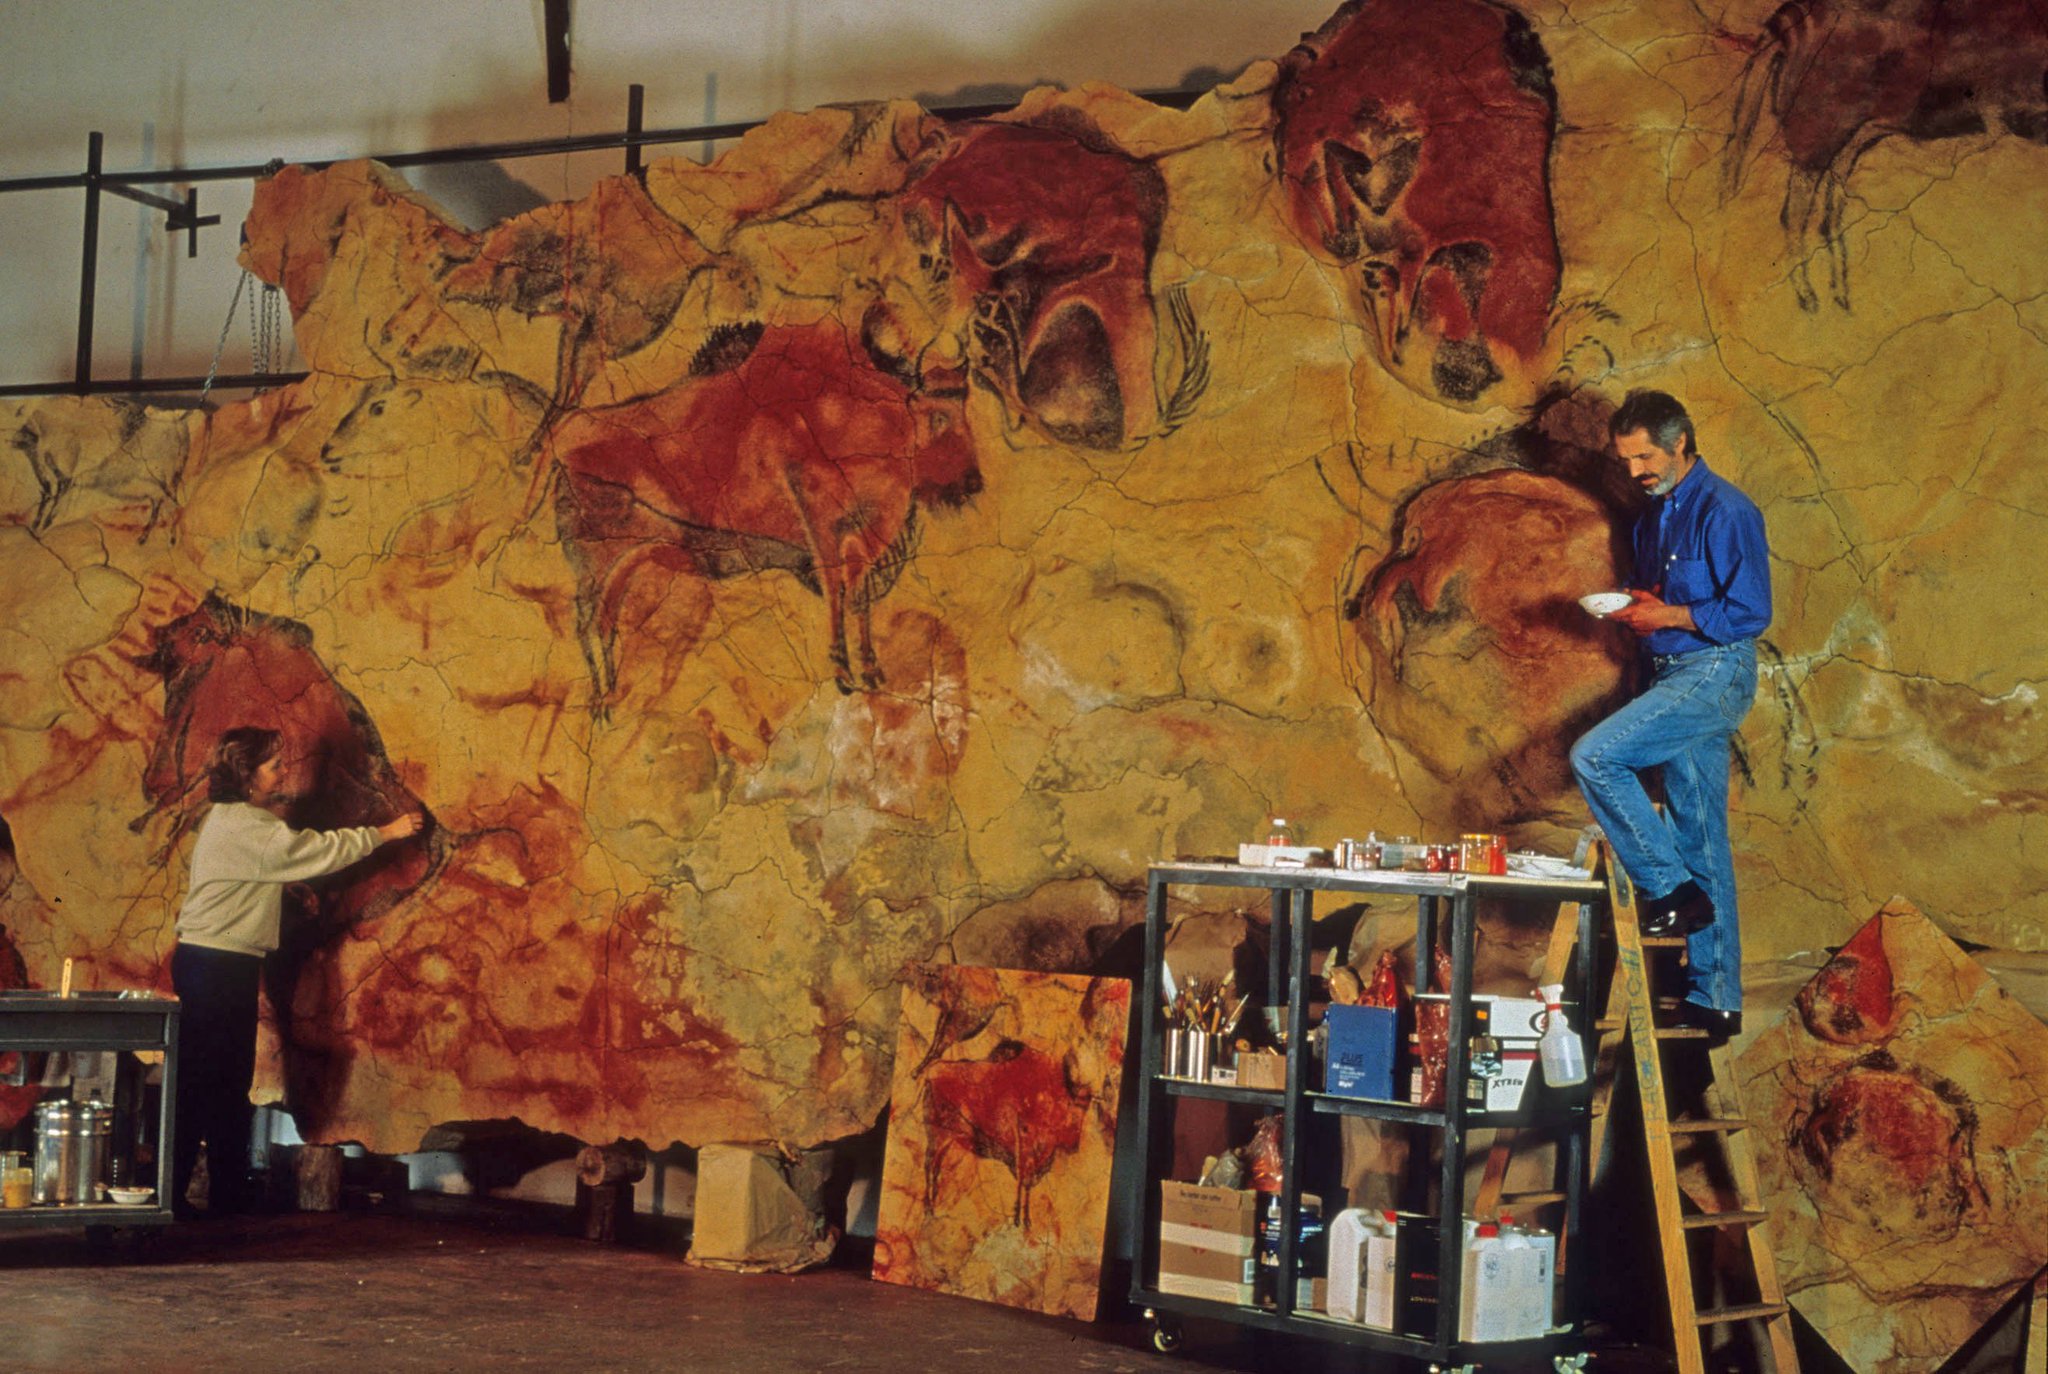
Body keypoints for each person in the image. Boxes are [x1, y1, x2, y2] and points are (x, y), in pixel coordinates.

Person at [1569, 390, 1771, 1042]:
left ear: (1679, 442)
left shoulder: (1727, 510)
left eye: (1645, 457)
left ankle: (1671, 891)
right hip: (1672, 672)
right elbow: (1663, 601)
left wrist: (1667, 615)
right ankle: (1717, 999)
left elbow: (1749, 612)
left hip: (1715, 671)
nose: (1635, 471)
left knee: (1595, 756)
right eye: (1626, 459)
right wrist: (1641, 606)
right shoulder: (1653, 517)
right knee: (1701, 833)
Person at [170, 726, 422, 1216]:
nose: (283, 772)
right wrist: (385, 834)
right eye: (273, 765)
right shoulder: (252, 826)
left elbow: (248, 873)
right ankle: (201, 1199)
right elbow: (316, 852)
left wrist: (278, 890)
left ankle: (210, 1195)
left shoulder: (230, 819)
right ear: (247, 776)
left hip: (213, 962)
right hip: (218, 967)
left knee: (215, 1082)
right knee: (212, 1084)